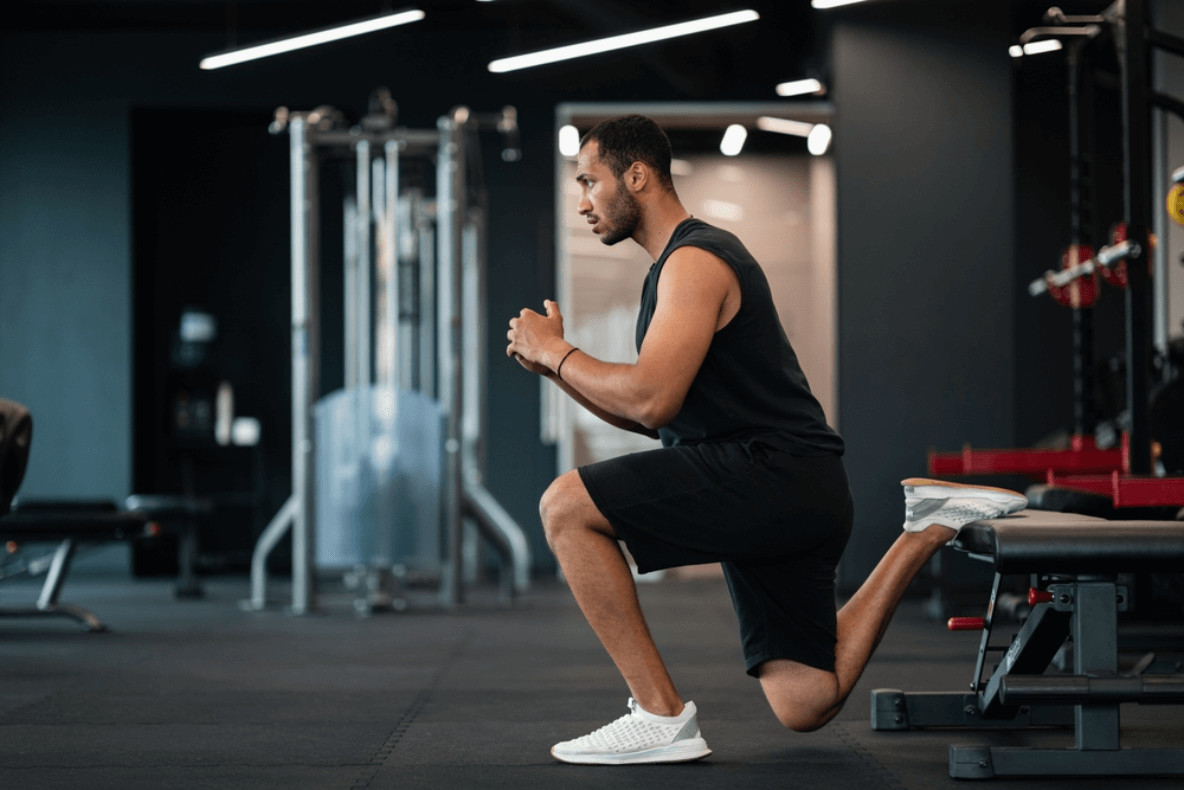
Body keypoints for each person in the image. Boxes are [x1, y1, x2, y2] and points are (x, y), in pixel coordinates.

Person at [505, 115, 1026, 766]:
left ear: (636, 176)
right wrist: (554, 367)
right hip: (790, 485)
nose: (582, 201)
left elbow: (649, 396)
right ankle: (926, 529)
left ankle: (660, 716)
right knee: (806, 701)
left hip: (770, 474)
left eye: (590, 181)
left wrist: (558, 354)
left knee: (565, 506)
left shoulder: (694, 261)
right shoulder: (674, 268)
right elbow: (651, 417)